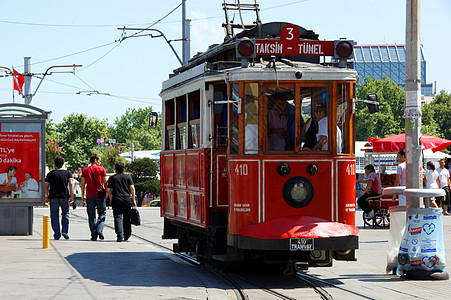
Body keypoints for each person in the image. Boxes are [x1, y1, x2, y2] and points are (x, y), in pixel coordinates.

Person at [45, 155, 74, 240]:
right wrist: (72, 196)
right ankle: (65, 231)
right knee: (65, 214)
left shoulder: (50, 174)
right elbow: (71, 184)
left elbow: (46, 186)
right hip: (64, 197)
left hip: (53, 197)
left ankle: (57, 234)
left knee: (54, 215)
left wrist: (47, 196)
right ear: (63, 163)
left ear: (54, 163)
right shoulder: (67, 173)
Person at [107, 161, 136, 242]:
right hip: (126, 199)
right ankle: (127, 235)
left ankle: (119, 235)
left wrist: (111, 197)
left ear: (115, 169)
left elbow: (108, 189)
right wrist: (133, 199)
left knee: (118, 217)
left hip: (116, 199)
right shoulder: (128, 177)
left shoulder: (112, 178)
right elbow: (132, 188)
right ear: (123, 169)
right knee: (127, 217)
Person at [81, 154, 107, 241]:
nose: (100, 162)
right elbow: (105, 182)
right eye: (99, 160)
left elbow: (83, 184)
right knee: (102, 213)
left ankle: (93, 235)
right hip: (100, 195)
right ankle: (99, 229)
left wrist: (83, 195)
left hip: (89, 195)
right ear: (95, 160)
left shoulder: (85, 170)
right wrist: (107, 193)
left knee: (91, 216)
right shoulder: (102, 169)